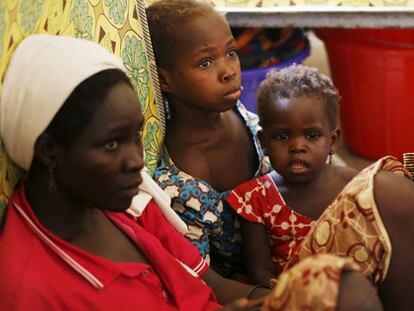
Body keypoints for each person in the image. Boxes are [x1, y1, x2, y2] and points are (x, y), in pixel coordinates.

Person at [0, 34, 274, 311]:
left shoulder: (129, 202)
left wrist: (282, 298)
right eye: (111, 144)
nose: (136, 161)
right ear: (50, 150)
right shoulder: (30, 294)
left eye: (136, 136)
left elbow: (209, 284)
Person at [226, 64, 414, 310]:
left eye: (312, 136)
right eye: (282, 137)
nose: (297, 147)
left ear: (332, 141)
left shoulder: (354, 186)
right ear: (264, 142)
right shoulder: (255, 198)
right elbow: (260, 271)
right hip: (302, 294)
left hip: (358, 287)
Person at [147, 0, 270, 279]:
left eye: (231, 52)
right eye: (205, 62)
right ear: (165, 80)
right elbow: (200, 279)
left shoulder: (239, 115)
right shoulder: (183, 183)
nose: (228, 71)